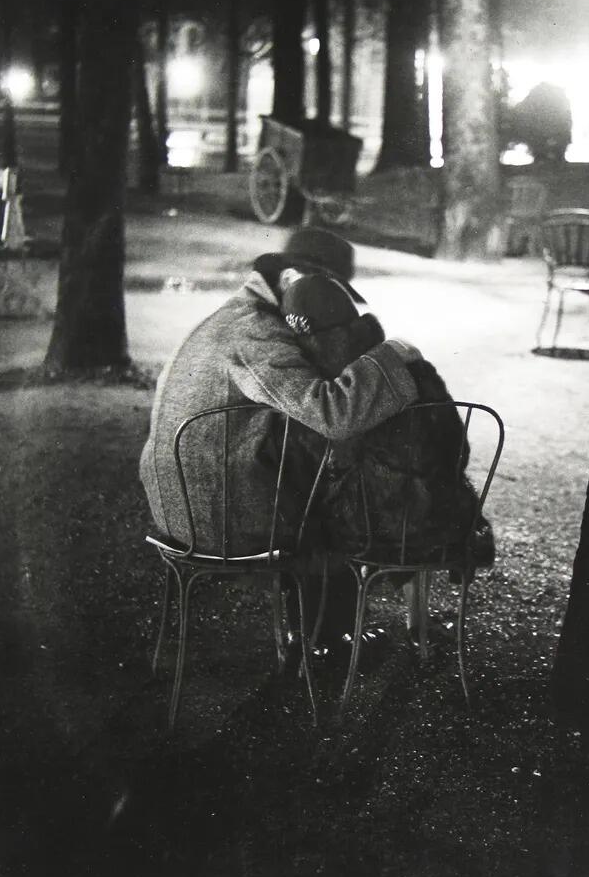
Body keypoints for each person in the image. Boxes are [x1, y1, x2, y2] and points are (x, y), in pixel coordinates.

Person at [139, 228, 422, 653]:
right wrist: (392, 356)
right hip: (211, 511)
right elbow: (332, 412)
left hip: (182, 500)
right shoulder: (255, 332)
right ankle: (327, 639)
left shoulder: (238, 315)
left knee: (309, 472)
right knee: (337, 497)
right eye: (329, 291)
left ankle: (318, 629)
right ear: (295, 278)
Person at [279, 271, 495, 639]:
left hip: (373, 532)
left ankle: (319, 637)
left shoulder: (329, 393)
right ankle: (412, 625)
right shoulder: (409, 367)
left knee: (305, 508)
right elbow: (456, 450)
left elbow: (313, 465)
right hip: (442, 520)